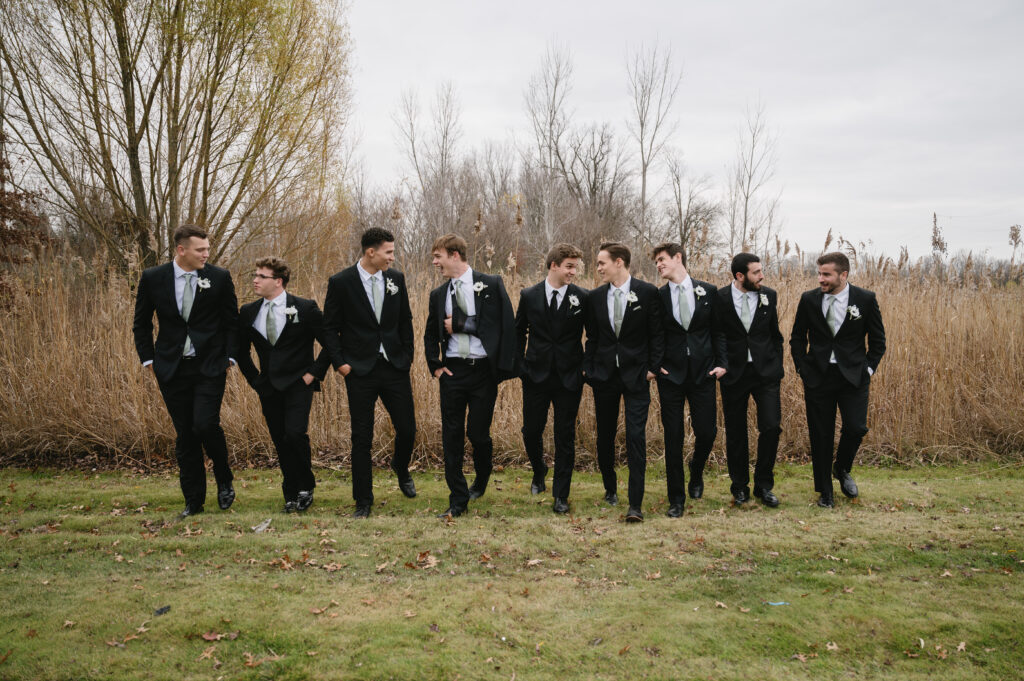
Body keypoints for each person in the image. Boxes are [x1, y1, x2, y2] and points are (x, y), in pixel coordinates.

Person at [132, 224, 238, 518]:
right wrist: (148, 360)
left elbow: (232, 322)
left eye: (207, 249)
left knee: (205, 424)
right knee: (186, 435)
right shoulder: (153, 278)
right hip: (170, 368)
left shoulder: (218, 277)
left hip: (210, 366)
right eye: (200, 249)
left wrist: (231, 357)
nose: (207, 254)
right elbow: (141, 323)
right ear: (182, 250)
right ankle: (193, 501)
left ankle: (224, 475)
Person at [322, 228, 418, 518]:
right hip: (359, 370)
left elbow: (405, 320)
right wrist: (340, 363)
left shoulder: (396, 279)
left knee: (407, 428)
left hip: (394, 367)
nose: (393, 256)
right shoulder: (341, 282)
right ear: (370, 252)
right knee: (361, 437)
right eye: (389, 252)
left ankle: (400, 468)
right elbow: (329, 326)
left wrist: (407, 357)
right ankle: (363, 500)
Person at [424, 233, 516, 518]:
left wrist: (463, 323)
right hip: (453, 371)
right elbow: (429, 334)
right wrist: (435, 365)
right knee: (451, 435)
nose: (435, 263)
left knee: (478, 434)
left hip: (482, 372)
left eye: (438, 257)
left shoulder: (491, 284)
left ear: (454, 255)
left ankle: (482, 477)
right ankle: (457, 499)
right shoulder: (438, 295)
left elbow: (503, 325)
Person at [236, 257, 335, 513]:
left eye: (261, 276)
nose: (255, 280)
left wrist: (314, 373)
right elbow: (240, 350)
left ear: (278, 281)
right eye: (254, 275)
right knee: (280, 439)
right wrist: (256, 381)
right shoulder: (248, 311)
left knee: (295, 434)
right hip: (268, 386)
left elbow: (331, 342)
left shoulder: (304, 307)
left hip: (299, 384)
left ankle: (306, 486)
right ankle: (290, 491)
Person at [790, 251, 886, 508]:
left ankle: (841, 468)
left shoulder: (865, 299)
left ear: (843, 275)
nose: (820, 279)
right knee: (820, 434)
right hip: (818, 377)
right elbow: (797, 338)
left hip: (854, 377)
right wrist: (802, 369)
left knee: (856, 427)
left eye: (826, 274)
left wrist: (868, 370)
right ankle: (825, 492)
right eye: (819, 273)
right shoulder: (809, 300)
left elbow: (878, 342)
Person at [582, 241, 664, 523]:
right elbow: (592, 338)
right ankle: (610, 488)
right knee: (604, 436)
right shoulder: (594, 297)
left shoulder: (647, 292)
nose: (598, 268)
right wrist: (589, 370)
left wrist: (653, 368)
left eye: (602, 262)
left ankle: (635, 504)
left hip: (637, 376)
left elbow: (656, 334)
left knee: (635, 437)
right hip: (604, 377)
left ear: (619, 262)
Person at [651, 243, 727, 517]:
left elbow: (717, 331)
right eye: (656, 262)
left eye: (662, 260)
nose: (658, 265)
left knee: (707, 431)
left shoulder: (708, 291)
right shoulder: (658, 296)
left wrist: (722, 364)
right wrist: (657, 366)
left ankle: (696, 470)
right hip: (670, 376)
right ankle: (676, 499)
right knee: (673, 437)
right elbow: (655, 335)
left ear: (678, 258)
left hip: (703, 373)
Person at [515, 243, 588, 514]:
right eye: (569, 266)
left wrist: (585, 367)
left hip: (569, 377)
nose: (574, 272)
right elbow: (518, 331)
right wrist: (521, 365)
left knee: (564, 435)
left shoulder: (582, 297)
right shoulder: (529, 295)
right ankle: (538, 470)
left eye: (575, 267)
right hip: (535, 375)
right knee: (531, 430)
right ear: (554, 265)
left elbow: (592, 334)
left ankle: (561, 495)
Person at [714, 253, 784, 508]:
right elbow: (717, 334)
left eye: (761, 270)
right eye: (756, 272)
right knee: (735, 432)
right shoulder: (719, 297)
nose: (762, 276)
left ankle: (764, 486)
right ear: (739, 276)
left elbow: (775, 335)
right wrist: (721, 364)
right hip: (733, 373)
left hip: (766, 373)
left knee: (771, 426)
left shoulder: (769, 296)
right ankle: (739, 487)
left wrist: (778, 366)